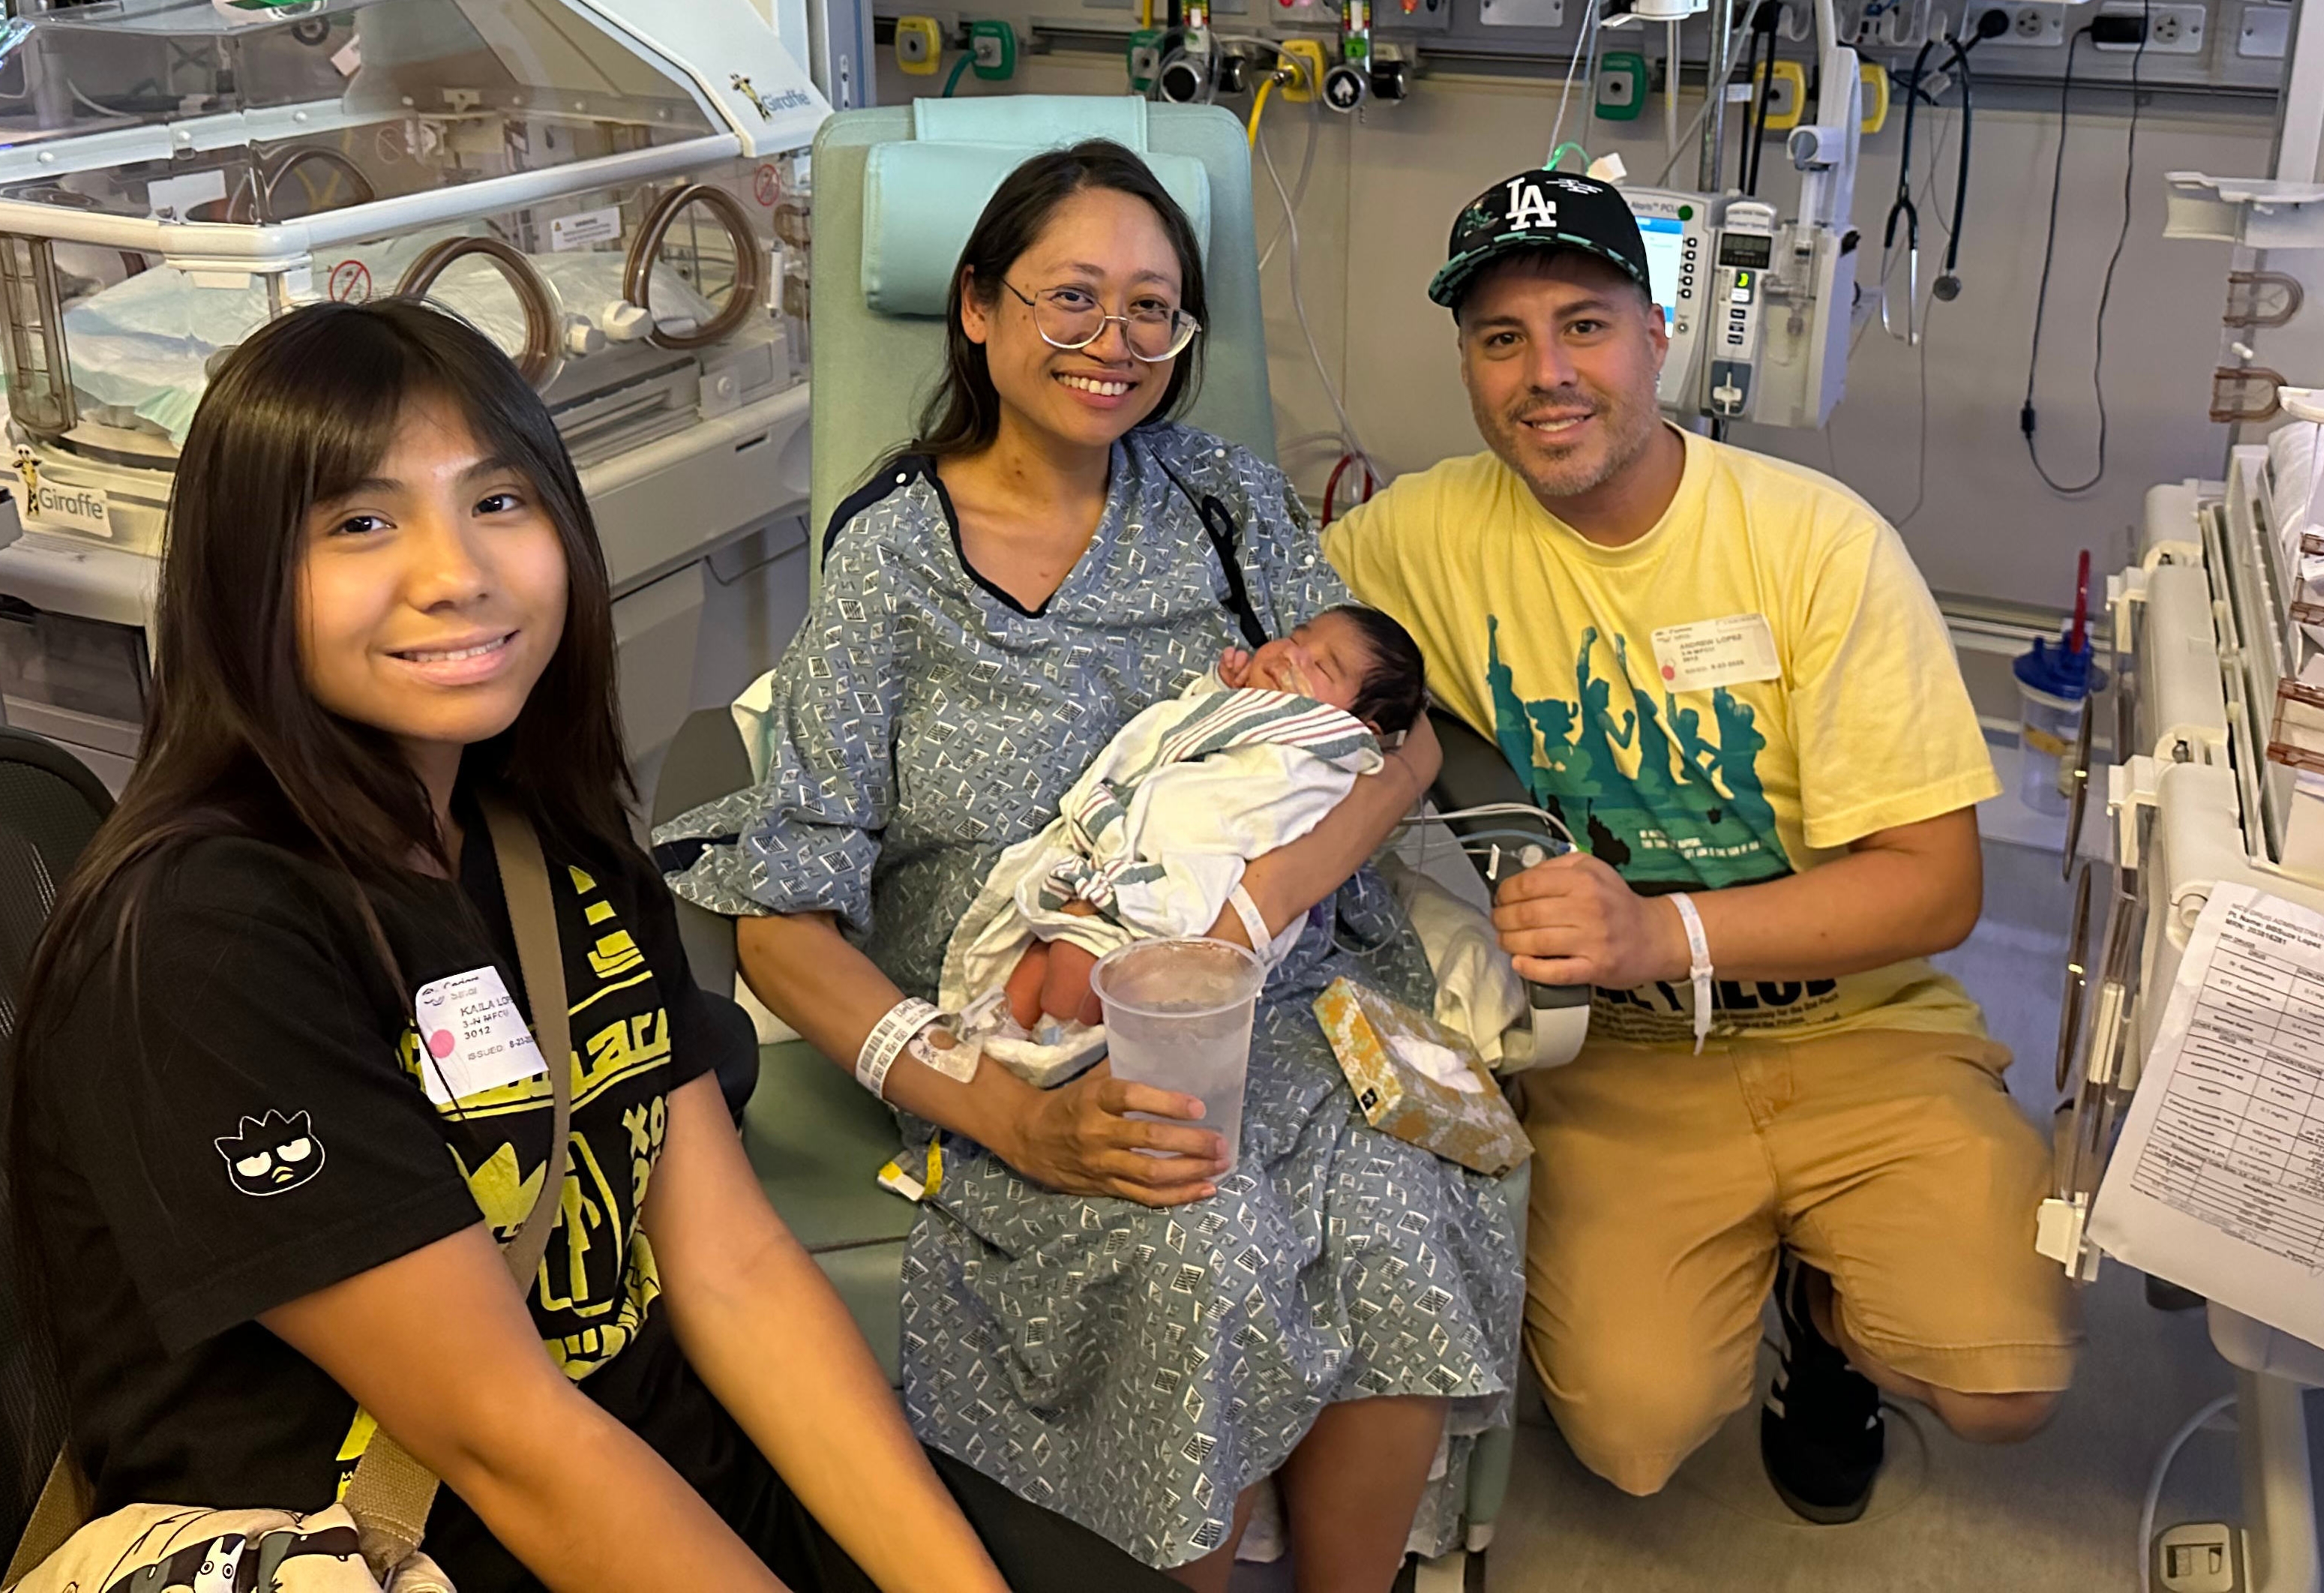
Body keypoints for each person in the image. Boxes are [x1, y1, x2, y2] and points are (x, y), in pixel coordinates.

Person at [9, 298, 1171, 1593]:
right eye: (360, 521)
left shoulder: (544, 843)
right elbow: (509, 1443)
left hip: (671, 1473)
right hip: (412, 1549)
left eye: (499, 502)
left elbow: (729, 1265)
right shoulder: (205, 939)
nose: (457, 571)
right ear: (244, 575)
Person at [658, 141, 1520, 1593]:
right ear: (980, 309)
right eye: (1071, 296)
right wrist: (998, 1112)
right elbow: (781, 918)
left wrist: (1259, 907)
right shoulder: (893, 560)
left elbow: (1406, 740)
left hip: (1281, 1003)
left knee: (1393, 1205)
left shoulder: (1227, 506)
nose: (1112, 342)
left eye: (1151, 309)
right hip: (1029, 1033)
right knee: (1198, 1244)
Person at [1324, 169, 2080, 1523]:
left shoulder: (1813, 545)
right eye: (1501, 339)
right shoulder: (1420, 538)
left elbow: (1936, 884)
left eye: (1584, 325)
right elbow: (1255, 615)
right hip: (1619, 1059)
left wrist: (1659, 933)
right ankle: (1777, 1267)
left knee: (2002, 1389)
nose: (1546, 374)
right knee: (1631, 1434)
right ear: (1465, 365)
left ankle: (1831, 1325)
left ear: (1658, 333)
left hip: (1860, 1027)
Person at [959, 603, 1433, 1049]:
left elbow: (1246, 808)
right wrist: (1220, 694)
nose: (1291, 654)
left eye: (1322, 668)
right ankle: (994, 1046)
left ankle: (1058, 1048)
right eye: (1295, 638)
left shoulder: (1322, 755)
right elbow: (1190, 736)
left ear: (1358, 729)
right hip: (1118, 856)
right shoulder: (1260, 714)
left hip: (1185, 887)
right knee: (1032, 963)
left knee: (1074, 967)